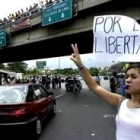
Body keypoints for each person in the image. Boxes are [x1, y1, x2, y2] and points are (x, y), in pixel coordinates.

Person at [70, 43, 140, 140]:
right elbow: (94, 86)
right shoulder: (121, 101)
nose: (127, 80)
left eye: (133, 77)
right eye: (127, 76)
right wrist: (80, 65)